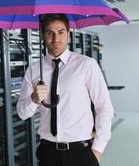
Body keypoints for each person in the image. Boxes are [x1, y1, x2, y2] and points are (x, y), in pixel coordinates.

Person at [16, 14, 114, 166]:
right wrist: (34, 99)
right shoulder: (34, 69)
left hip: (81, 152)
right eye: (50, 33)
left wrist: (98, 150)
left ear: (68, 34)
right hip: (47, 153)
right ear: (43, 36)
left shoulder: (86, 65)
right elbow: (22, 113)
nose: (55, 39)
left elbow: (104, 107)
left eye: (61, 32)